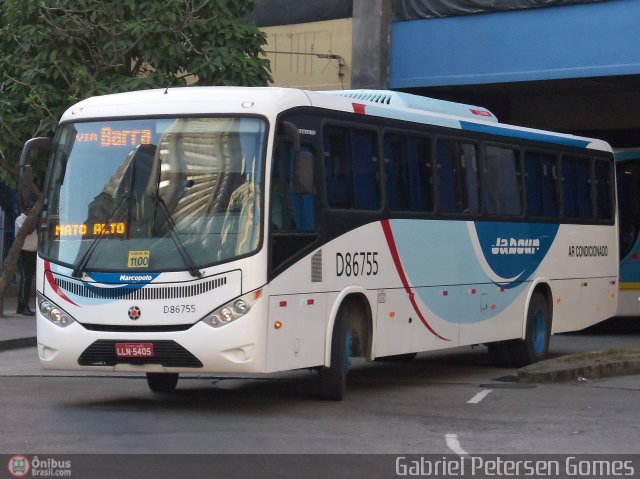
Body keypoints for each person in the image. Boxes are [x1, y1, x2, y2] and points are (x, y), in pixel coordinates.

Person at [15, 205, 37, 316]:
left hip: (32, 253)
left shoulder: (31, 219)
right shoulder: (20, 219)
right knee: (25, 280)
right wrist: (34, 219)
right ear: (25, 209)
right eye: (31, 208)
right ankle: (23, 306)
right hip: (24, 253)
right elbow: (28, 230)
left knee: (28, 280)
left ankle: (21, 306)